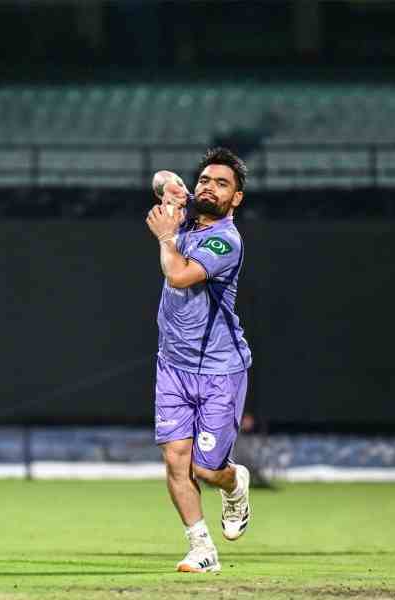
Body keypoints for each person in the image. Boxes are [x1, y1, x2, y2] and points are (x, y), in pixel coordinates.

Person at [144, 147, 253, 573]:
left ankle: (233, 482)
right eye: (205, 180)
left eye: (222, 184)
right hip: (172, 364)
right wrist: (169, 187)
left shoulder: (225, 241)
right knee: (175, 458)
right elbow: (160, 178)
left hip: (219, 371)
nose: (210, 187)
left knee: (206, 470)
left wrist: (166, 237)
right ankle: (201, 548)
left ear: (236, 198)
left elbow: (178, 275)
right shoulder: (187, 213)